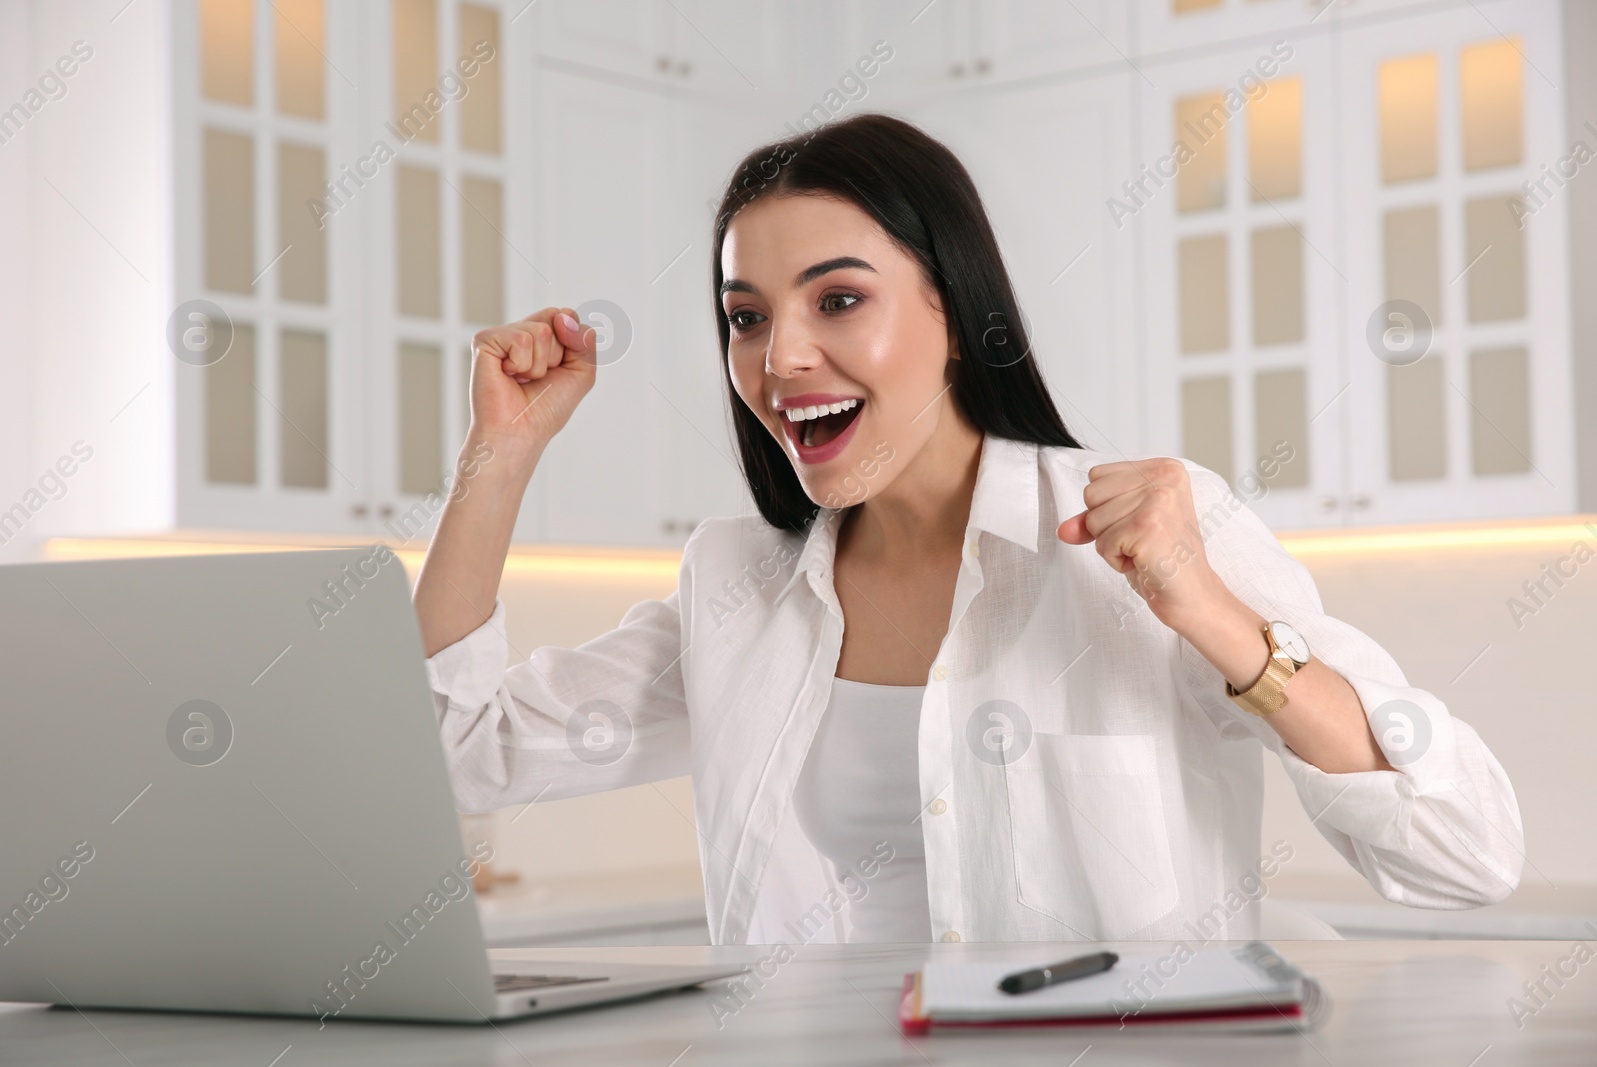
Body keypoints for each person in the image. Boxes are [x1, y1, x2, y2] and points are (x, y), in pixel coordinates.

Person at [413, 113, 1523, 945]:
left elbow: (1467, 851)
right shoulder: (732, 585)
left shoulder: (1147, 531)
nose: (778, 357)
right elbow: (463, 752)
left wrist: (1212, 615)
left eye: (837, 299)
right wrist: (498, 455)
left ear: (953, 310)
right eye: (745, 315)